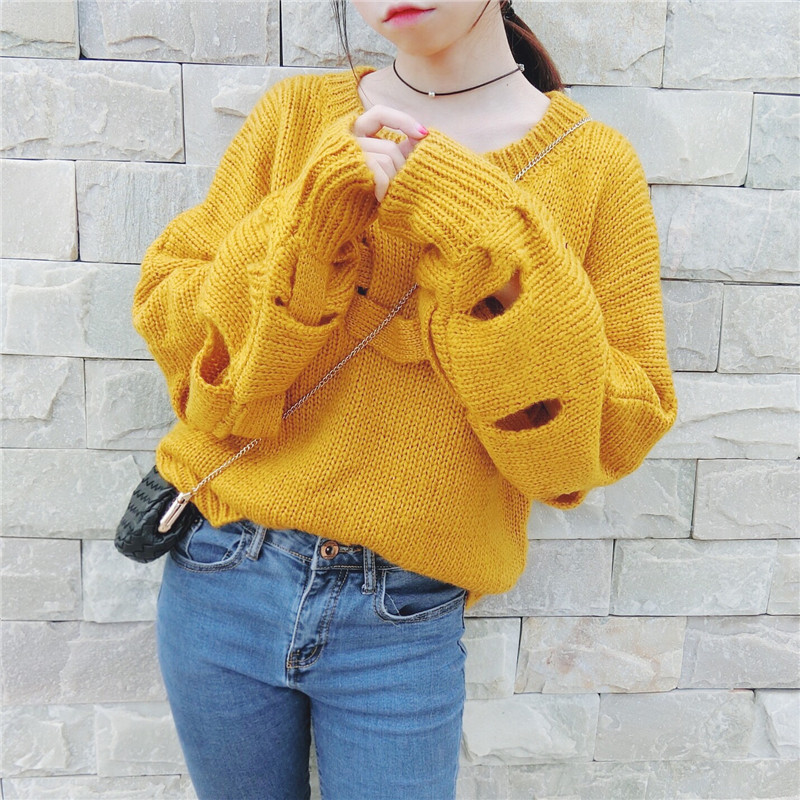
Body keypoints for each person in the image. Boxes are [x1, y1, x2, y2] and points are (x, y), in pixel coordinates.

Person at [135, 1, 678, 798]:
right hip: (223, 574)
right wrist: (305, 221)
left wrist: (486, 233)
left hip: (404, 618)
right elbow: (183, 343)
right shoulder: (298, 118)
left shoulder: (591, 165)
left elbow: (598, 440)